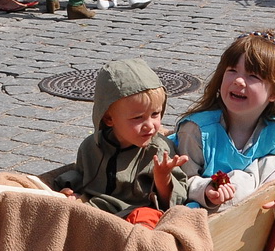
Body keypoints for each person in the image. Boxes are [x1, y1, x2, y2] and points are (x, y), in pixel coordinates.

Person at [173, 31, 275, 225]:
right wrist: (205, 189)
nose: (238, 81)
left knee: (273, 165)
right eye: (232, 70)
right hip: (199, 219)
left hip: (241, 226)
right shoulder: (197, 130)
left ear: (274, 92)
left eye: (252, 76)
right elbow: (180, 179)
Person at [52, 59, 188, 214]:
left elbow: (174, 201)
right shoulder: (91, 147)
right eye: (138, 118)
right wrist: (68, 191)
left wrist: (162, 178)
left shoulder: (158, 151)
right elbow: (82, 178)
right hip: (96, 211)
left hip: (135, 214)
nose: (150, 125)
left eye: (155, 114)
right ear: (109, 119)